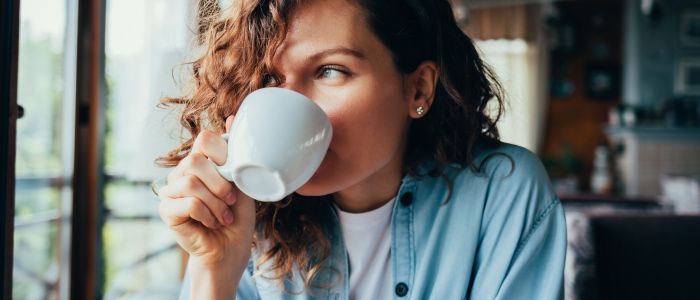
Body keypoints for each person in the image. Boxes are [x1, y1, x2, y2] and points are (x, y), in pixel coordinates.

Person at [156, 0, 567, 299]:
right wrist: (214, 274)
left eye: (330, 70)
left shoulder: (502, 193)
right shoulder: (249, 214)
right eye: (268, 78)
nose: (290, 103)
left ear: (418, 88)